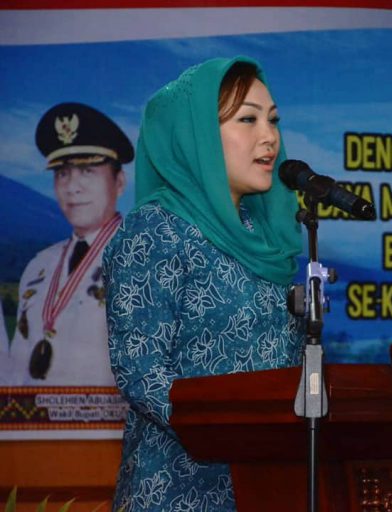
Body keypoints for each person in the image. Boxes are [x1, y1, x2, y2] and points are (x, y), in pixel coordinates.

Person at [103, 56, 304, 511]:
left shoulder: (266, 235)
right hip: (180, 487)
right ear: (194, 136)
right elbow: (140, 370)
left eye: (273, 120)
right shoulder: (156, 230)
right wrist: (234, 430)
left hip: (269, 484)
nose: (269, 137)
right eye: (248, 119)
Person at [0, 103, 133, 386]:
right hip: (34, 413)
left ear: (119, 182)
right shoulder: (38, 267)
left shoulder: (143, 258)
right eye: (62, 173)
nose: (72, 187)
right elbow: (16, 373)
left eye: (87, 171)